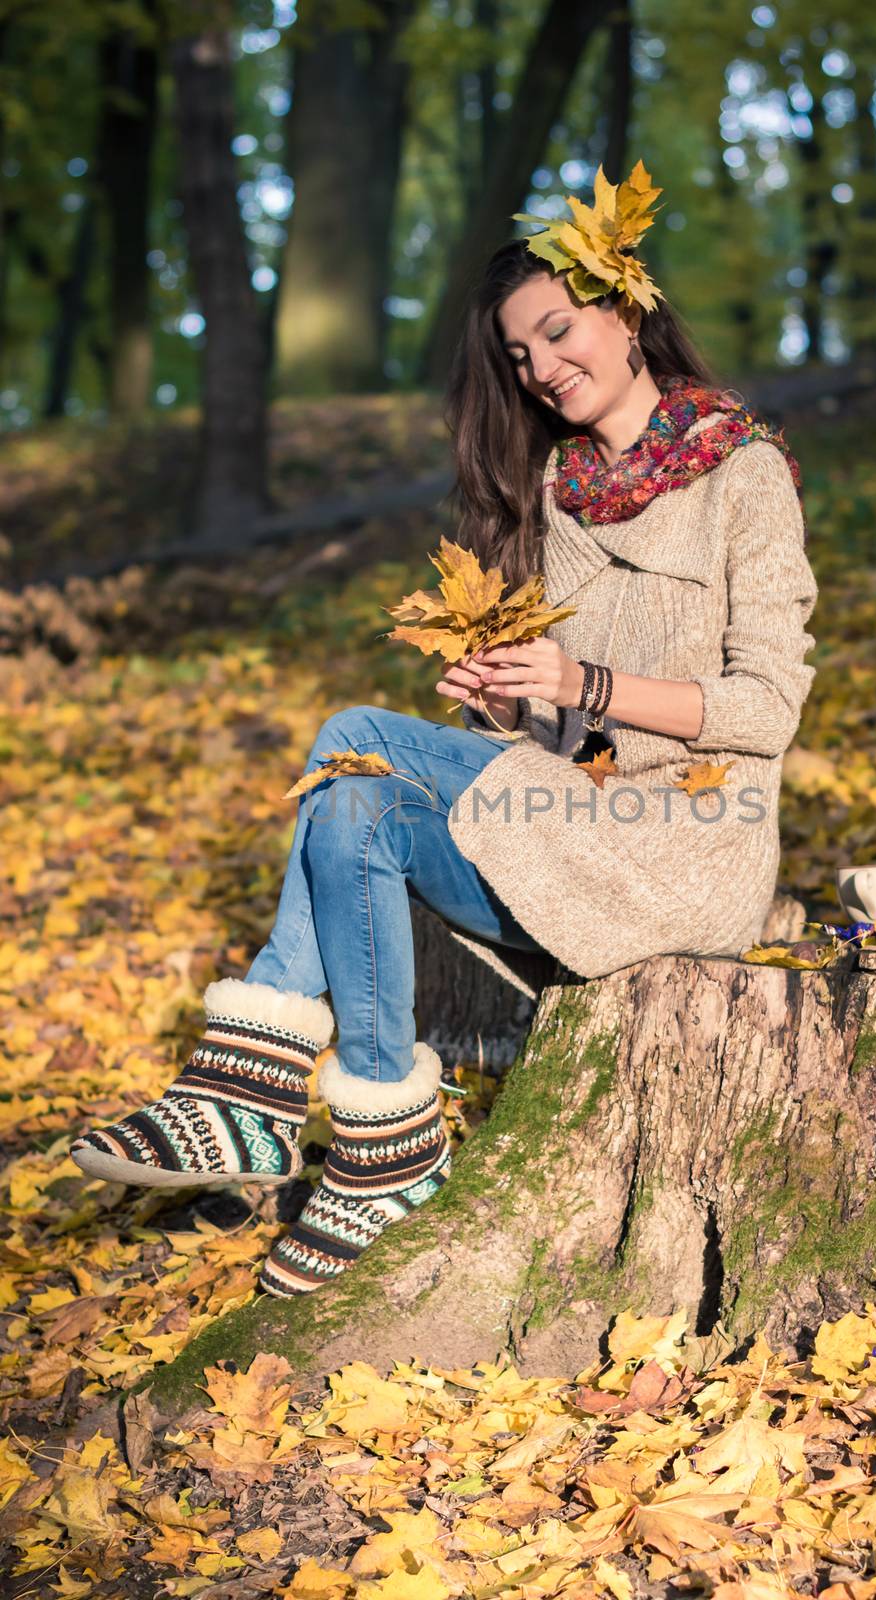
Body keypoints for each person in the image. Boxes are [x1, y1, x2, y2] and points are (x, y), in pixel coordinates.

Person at [71, 160, 818, 1300]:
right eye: (520, 357)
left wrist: (589, 680)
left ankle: (253, 1093)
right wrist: (518, 706)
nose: (542, 368)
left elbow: (765, 709)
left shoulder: (744, 474)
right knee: (356, 794)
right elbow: (582, 739)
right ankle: (382, 1151)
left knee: (350, 730)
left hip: (692, 851)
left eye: (558, 333)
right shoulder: (567, 494)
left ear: (624, 312)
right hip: (581, 825)